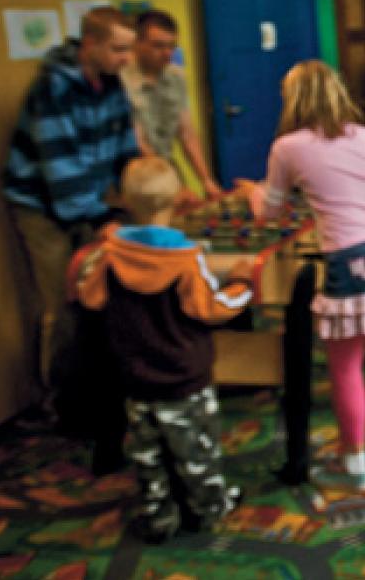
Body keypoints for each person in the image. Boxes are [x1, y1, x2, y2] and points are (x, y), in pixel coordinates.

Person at [240, 60, 365, 490]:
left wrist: (254, 193)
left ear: (293, 100)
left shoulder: (287, 147)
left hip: (350, 254)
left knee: (345, 365)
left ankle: (354, 464)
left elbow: (268, 211)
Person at [70, 156, 250, 542]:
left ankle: (159, 515)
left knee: (147, 453)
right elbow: (211, 309)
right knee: (197, 449)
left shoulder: (110, 255)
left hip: (135, 376)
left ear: (124, 201)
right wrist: (241, 287)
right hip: (185, 377)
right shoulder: (186, 258)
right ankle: (209, 508)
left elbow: (89, 297)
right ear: (178, 199)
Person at [1, 5, 140, 428]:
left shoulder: (112, 84)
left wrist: (141, 190)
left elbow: (125, 147)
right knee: (63, 302)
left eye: (129, 50)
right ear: (90, 44)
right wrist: (100, 219)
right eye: (118, 49)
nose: (126, 59)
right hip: (42, 206)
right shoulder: (52, 89)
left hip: (87, 199)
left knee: (100, 292)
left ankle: (96, 385)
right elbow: (61, 169)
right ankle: (55, 401)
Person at [123, 9, 222, 201]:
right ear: (137, 43)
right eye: (158, 46)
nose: (167, 53)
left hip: (166, 167)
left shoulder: (176, 76)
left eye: (172, 46)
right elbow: (139, 143)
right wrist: (174, 186)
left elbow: (187, 134)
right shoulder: (121, 80)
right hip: (135, 177)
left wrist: (206, 180)